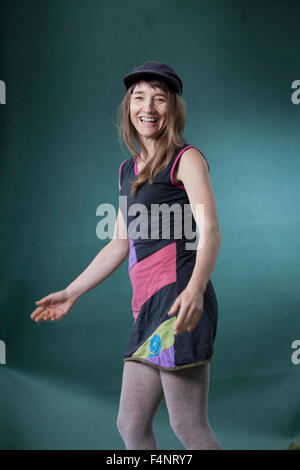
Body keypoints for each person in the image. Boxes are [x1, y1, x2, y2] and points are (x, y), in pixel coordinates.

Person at [30, 61, 223, 450]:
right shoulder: (127, 170)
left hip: (179, 303)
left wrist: (196, 290)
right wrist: (71, 292)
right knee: (131, 425)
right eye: (138, 98)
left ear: (173, 108)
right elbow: (119, 243)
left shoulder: (186, 159)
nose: (147, 107)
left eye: (158, 98)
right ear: (128, 107)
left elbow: (211, 231)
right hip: (146, 309)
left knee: (187, 425)